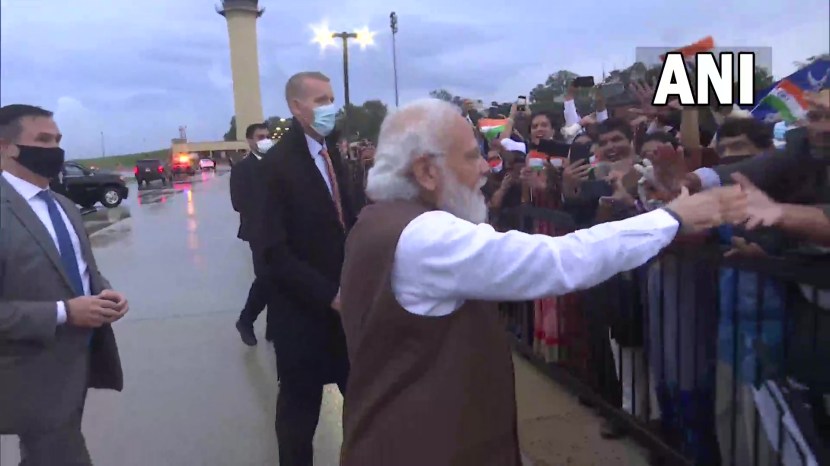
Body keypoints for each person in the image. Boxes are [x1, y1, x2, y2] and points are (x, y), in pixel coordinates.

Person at [337, 98, 749, 466]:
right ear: (427, 171)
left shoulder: (378, 220)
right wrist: (674, 219)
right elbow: (559, 260)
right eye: (469, 156)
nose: (485, 167)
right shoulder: (426, 236)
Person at [0, 104, 128, 465]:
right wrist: (64, 312)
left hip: (78, 360)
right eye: (42, 140)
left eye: (57, 139)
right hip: (28, 369)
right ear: (5, 147)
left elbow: (81, 272)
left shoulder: (63, 206)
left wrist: (105, 293)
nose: (54, 149)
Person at [258, 71, 354, 466]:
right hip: (303, 316)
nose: (329, 108)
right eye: (319, 100)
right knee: (299, 419)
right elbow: (273, 253)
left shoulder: (332, 156)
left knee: (366, 407)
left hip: (347, 315)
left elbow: (348, 222)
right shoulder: (277, 167)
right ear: (297, 108)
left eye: (331, 99)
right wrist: (328, 295)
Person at [231, 122, 274, 346]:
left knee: (280, 276)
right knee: (266, 277)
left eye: (267, 136)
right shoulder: (242, 169)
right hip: (258, 231)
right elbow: (238, 203)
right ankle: (246, 320)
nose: (265, 140)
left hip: (281, 230)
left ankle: (273, 327)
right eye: (260, 136)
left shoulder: (277, 164)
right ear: (249, 140)